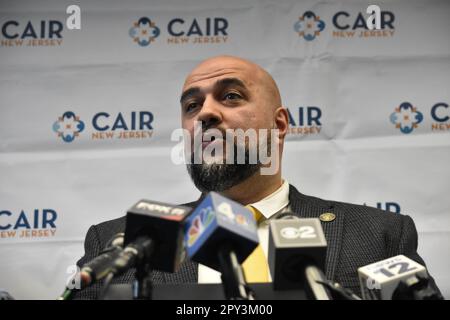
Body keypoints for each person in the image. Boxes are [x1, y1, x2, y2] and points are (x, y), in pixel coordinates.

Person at [72, 55, 440, 299]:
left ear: (279, 124)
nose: (205, 114)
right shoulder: (119, 243)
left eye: (230, 96)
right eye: (191, 105)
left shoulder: (379, 234)